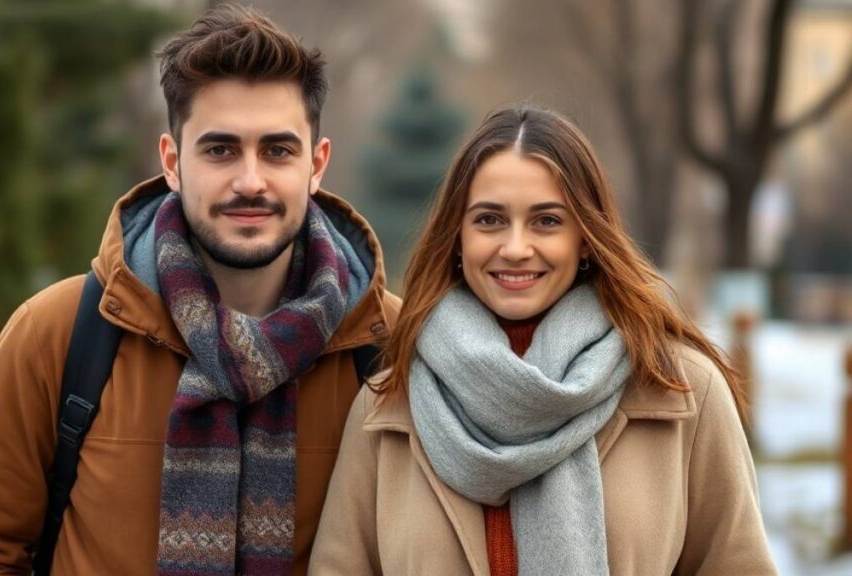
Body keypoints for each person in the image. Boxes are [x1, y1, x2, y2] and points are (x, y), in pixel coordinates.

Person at [0, 5, 399, 575]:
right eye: (220, 150)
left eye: (277, 150)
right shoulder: (62, 332)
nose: (250, 180)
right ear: (171, 161)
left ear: (317, 165)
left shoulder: (389, 347)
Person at [309, 105, 776, 575]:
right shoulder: (388, 404)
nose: (514, 248)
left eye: (546, 221)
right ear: (458, 237)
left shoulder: (682, 391)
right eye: (489, 220)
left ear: (587, 237)